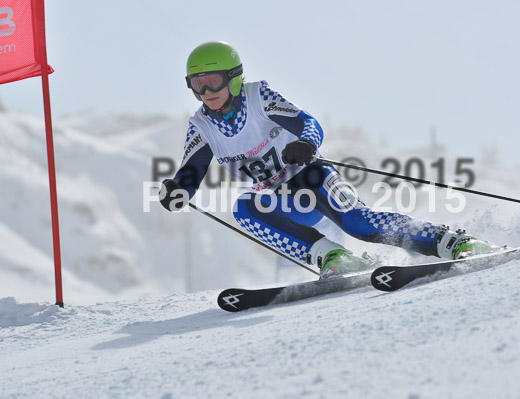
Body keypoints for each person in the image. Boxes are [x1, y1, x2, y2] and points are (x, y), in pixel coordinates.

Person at [160, 41, 497, 278]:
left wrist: (306, 143)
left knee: (358, 223)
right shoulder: (202, 127)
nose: (206, 92)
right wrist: (178, 191)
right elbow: (191, 173)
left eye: (213, 81)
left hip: (311, 178)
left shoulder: (258, 97)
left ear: (232, 77)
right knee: (243, 207)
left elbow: (309, 123)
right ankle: (333, 258)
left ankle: (453, 242)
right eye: (197, 85)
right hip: (277, 199)